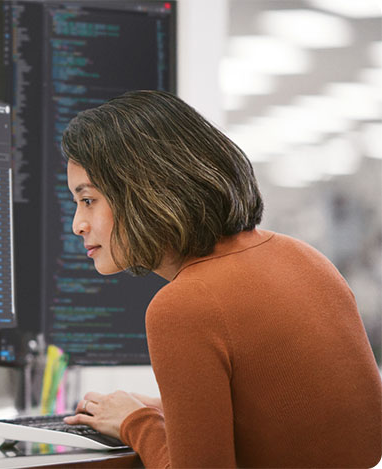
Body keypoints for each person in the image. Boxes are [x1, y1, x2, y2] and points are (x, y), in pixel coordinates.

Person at [60, 90, 382, 467]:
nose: (77, 225)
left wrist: (137, 422)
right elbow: (293, 418)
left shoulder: (184, 305)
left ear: (146, 190)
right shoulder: (304, 257)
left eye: (88, 200)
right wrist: (176, 411)